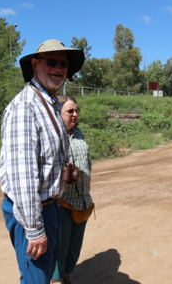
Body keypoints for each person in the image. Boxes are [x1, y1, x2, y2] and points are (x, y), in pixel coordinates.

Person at [0, 39, 85, 284]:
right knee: (35, 278)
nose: (58, 68)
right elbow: (23, 177)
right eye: (51, 62)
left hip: (51, 207)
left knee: (45, 275)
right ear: (35, 65)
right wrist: (35, 231)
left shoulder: (48, 103)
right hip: (32, 212)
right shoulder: (26, 108)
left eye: (63, 63)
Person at [51, 96, 94, 284]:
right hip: (61, 202)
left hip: (82, 200)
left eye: (76, 111)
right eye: (70, 111)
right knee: (59, 247)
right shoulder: (52, 134)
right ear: (59, 113)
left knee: (74, 246)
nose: (75, 115)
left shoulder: (79, 133)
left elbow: (87, 161)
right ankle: (56, 280)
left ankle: (67, 277)